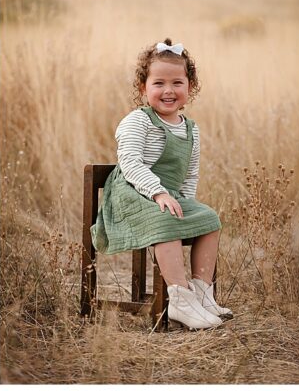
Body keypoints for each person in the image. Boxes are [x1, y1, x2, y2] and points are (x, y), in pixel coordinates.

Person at [91, 38, 232, 330]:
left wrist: (186, 204)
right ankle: (180, 301)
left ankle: (202, 294)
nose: (168, 91)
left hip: (168, 197)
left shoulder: (191, 129)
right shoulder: (137, 121)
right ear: (144, 88)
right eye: (159, 83)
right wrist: (157, 193)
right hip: (132, 195)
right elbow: (130, 162)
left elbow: (189, 174)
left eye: (177, 83)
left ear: (189, 87)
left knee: (209, 219)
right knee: (166, 219)